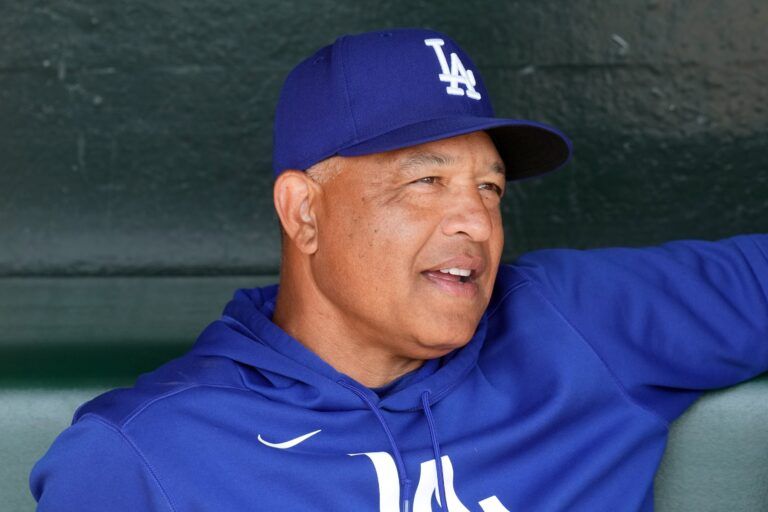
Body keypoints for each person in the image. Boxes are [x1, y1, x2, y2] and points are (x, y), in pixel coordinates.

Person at [30, 28, 767, 512]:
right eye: (426, 182)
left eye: (490, 187)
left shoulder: (571, 322)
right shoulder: (146, 454)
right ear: (304, 211)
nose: (476, 222)